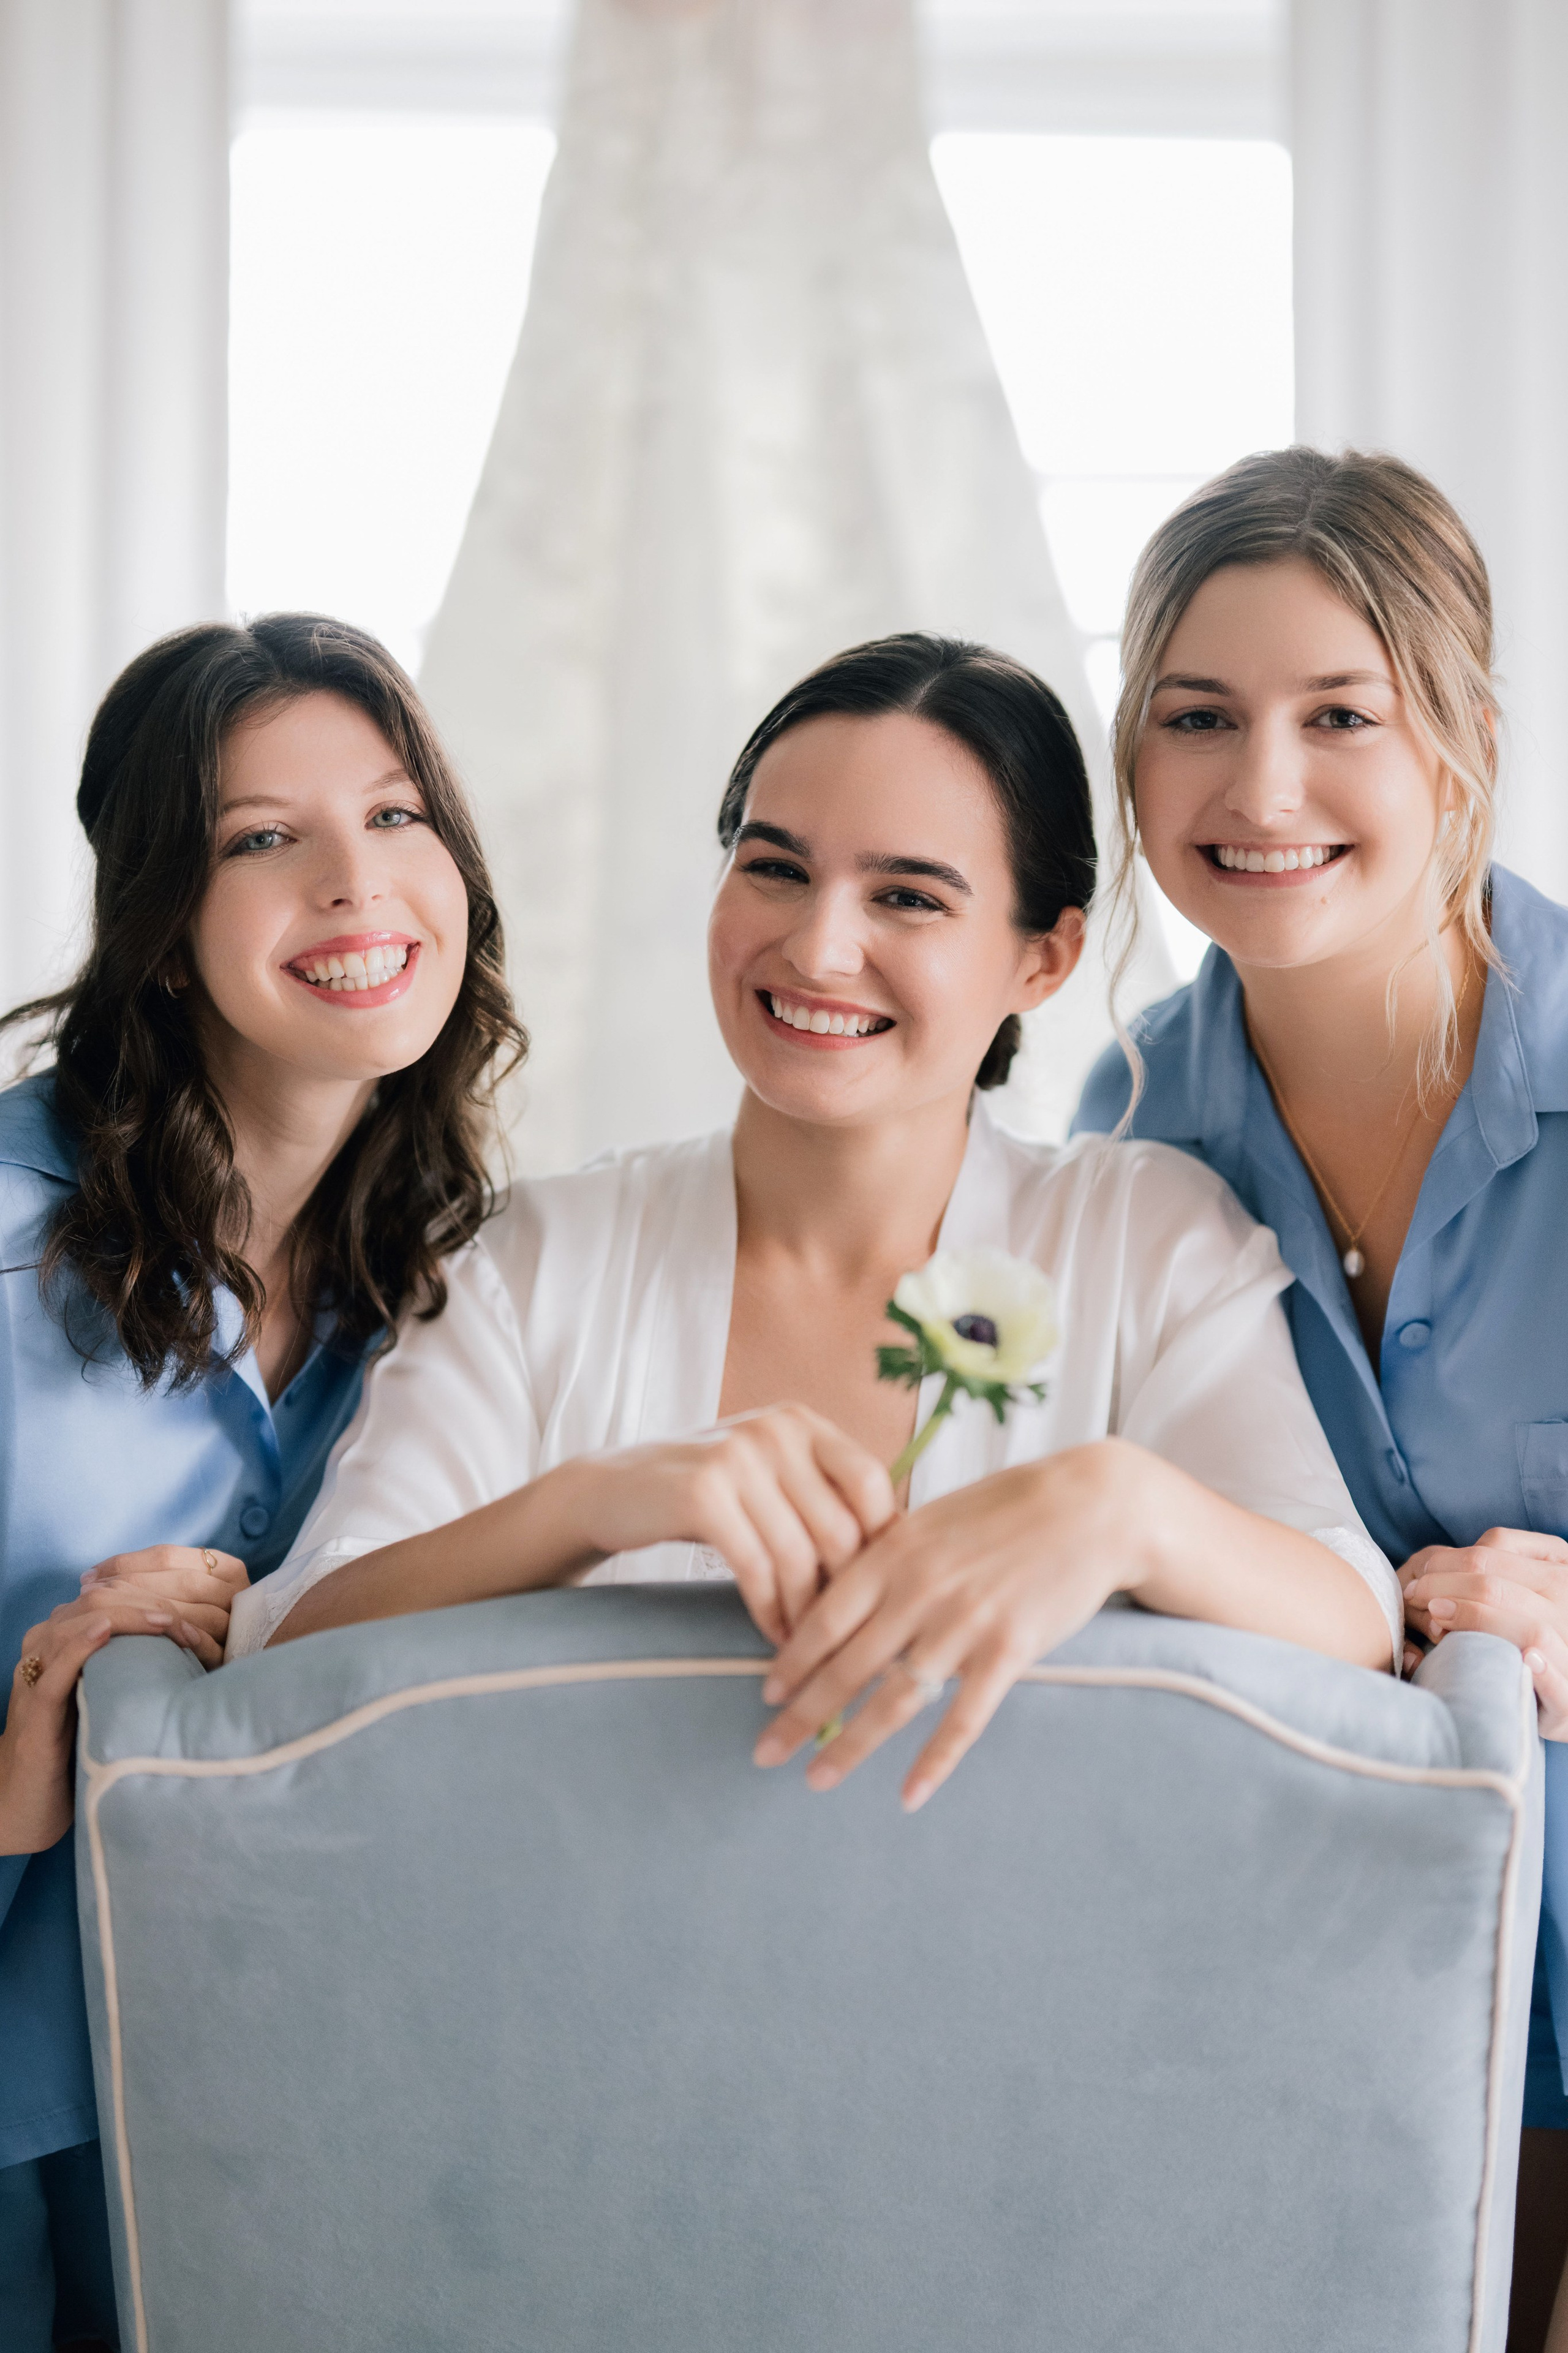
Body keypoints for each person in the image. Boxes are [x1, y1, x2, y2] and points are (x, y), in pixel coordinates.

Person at [232, 630, 1399, 1819]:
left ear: (1041, 960)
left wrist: (1121, 1506)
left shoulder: (1145, 1240)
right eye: (774, 869)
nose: (816, 945)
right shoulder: (540, 1256)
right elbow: (293, 1654)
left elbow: (1352, 1622)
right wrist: (591, 1500)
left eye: (905, 896)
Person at [1069, 444, 1568, 2353]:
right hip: (1345, 2023)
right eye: (1198, 719)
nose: (1258, 789)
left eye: (1337, 716)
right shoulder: (1115, 1149)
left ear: (1463, 744)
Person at [0, 614, 524, 2350]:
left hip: (292, 2108)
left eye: (395, 817)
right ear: (159, 927)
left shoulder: (472, 1280)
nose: (354, 886)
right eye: (258, 841)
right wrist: (21, 1774)